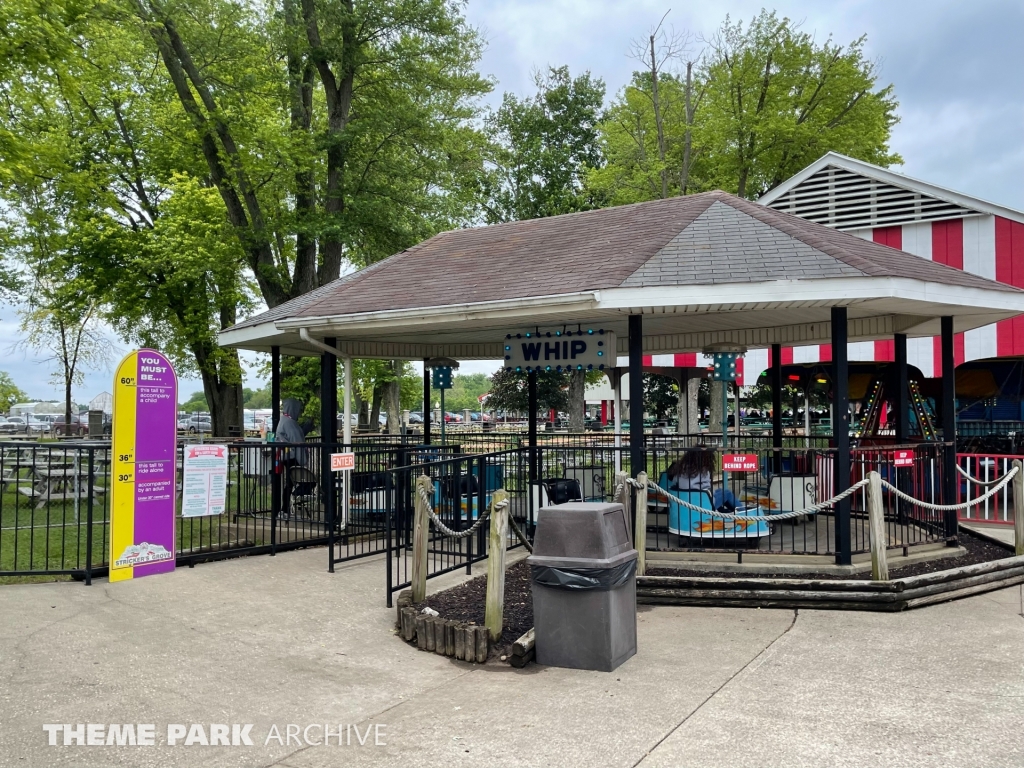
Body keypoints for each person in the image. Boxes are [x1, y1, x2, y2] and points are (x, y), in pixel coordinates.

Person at [666, 448, 737, 510]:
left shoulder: (681, 469)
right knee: (727, 493)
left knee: (719, 491)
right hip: (702, 504)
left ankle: (723, 511)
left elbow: (674, 482)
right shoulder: (703, 471)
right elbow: (707, 488)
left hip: (684, 502)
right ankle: (741, 512)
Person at [275, 398, 307, 517]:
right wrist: (302, 459)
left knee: (290, 483)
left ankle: (285, 509)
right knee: (291, 483)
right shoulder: (290, 423)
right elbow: (297, 441)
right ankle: (285, 509)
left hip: (286, 456)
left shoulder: (284, 420)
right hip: (292, 457)